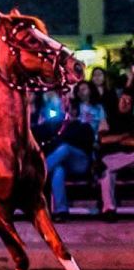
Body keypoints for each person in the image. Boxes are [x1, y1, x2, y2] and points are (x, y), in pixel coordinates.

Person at [46, 81, 108, 222]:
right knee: (58, 168)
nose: (81, 91)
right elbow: (61, 117)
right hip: (69, 155)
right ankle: (61, 211)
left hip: (85, 156)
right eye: (79, 89)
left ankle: (37, 173)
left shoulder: (97, 109)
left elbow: (103, 129)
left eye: (84, 88)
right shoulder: (72, 111)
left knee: (64, 149)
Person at [97, 90, 134, 222]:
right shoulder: (107, 119)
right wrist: (123, 137)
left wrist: (117, 139)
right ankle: (109, 210)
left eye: (129, 102)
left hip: (129, 158)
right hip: (112, 155)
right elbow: (104, 140)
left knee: (105, 167)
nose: (126, 104)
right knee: (106, 173)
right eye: (123, 100)